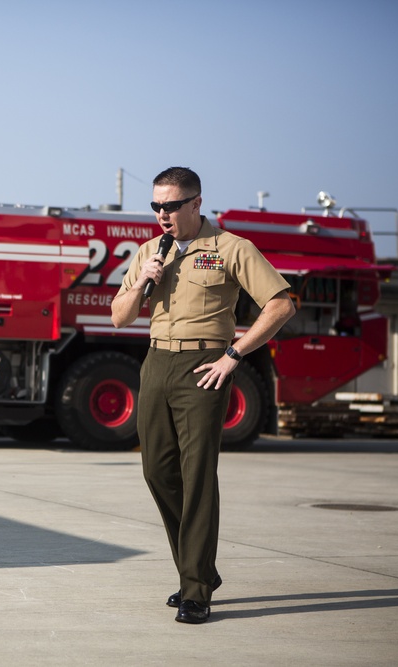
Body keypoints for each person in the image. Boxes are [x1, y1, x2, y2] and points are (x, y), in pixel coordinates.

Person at [110, 167, 295, 624]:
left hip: (204, 366)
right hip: (155, 363)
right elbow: (119, 317)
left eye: (170, 206)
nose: (162, 215)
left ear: (195, 203)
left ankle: (194, 589)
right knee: (156, 470)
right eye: (155, 206)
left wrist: (235, 355)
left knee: (198, 475)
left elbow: (282, 304)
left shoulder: (231, 248)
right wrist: (140, 281)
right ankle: (202, 570)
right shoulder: (149, 252)